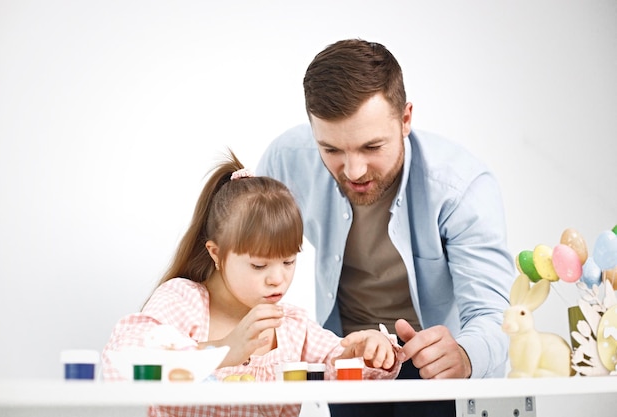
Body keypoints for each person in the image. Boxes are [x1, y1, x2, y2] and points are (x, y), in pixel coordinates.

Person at [255, 39, 516, 416]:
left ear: (406, 119)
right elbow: (239, 246)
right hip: (348, 354)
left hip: (432, 357)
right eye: (331, 150)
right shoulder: (287, 159)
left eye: (371, 147)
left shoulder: (463, 187)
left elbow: (494, 317)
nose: (354, 171)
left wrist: (463, 354)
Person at [101, 149, 402, 417]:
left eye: (288, 261)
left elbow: (338, 363)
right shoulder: (183, 302)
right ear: (216, 254)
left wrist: (366, 350)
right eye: (259, 265)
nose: (278, 278)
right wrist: (222, 350)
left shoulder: (293, 326)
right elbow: (122, 361)